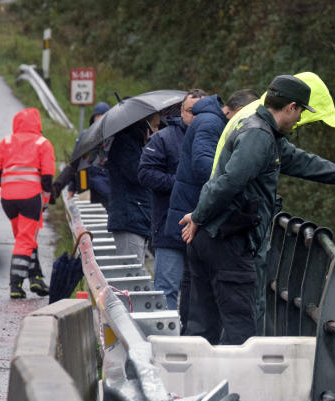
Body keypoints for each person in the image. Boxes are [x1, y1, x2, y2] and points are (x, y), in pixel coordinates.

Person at [179, 74, 335, 345]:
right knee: (241, 331)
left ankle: (193, 384)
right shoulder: (259, 137)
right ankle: (239, 387)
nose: (300, 119)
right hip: (228, 242)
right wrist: (199, 216)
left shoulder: (265, 134)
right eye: (300, 112)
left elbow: (302, 162)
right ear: (291, 108)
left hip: (214, 236)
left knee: (203, 326)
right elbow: (229, 182)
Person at [166, 89, 258, 329]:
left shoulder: (210, 121)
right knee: (194, 285)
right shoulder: (210, 123)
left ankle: (192, 333)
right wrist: (231, 184)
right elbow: (202, 163)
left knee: (194, 284)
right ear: (238, 111)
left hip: (196, 209)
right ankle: (191, 333)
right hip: (196, 210)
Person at [138, 89, 205, 309]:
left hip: (204, 228)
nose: (194, 116)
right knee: (166, 288)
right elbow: (145, 173)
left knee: (199, 289)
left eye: (201, 111)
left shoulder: (216, 138)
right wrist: (179, 183)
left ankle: (192, 338)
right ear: (181, 112)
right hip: (169, 226)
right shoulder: (163, 138)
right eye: (190, 111)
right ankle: (167, 341)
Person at [0, 107, 55, 299]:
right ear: (38, 124)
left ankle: (35, 279)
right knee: (25, 240)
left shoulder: (7, 141)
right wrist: (46, 197)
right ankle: (15, 285)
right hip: (30, 197)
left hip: (8, 199)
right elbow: (48, 176)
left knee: (24, 237)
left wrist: (7, 183)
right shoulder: (42, 143)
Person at [108, 112, 159, 265]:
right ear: (145, 125)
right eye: (155, 126)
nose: (157, 131)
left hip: (137, 215)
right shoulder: (126, 144)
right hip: (129, 217)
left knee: (136, 270)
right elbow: (139, 175)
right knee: (131, 274)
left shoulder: (136, 143)